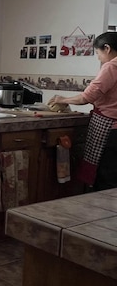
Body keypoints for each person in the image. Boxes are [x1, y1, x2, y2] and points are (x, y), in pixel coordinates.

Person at [48, 31, 117, 190]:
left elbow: (87, 97)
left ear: (107, 48)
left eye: (98, 52)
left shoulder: (111, 67)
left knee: (105, 178)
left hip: (110, 131)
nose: (98, 57)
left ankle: (100, 213)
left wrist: (62, 100)